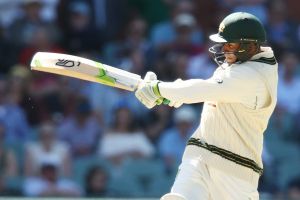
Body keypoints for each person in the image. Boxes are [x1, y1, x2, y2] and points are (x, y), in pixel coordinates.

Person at [135, 12, 278, 200]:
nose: (224, 49)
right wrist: (170, 96)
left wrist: (159, 89)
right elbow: (209, 95)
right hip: (200, 156)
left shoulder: (254, 75)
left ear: (250, 46)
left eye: (230, 44)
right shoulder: (240, 64)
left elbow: (204, 88)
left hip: (235, 170)